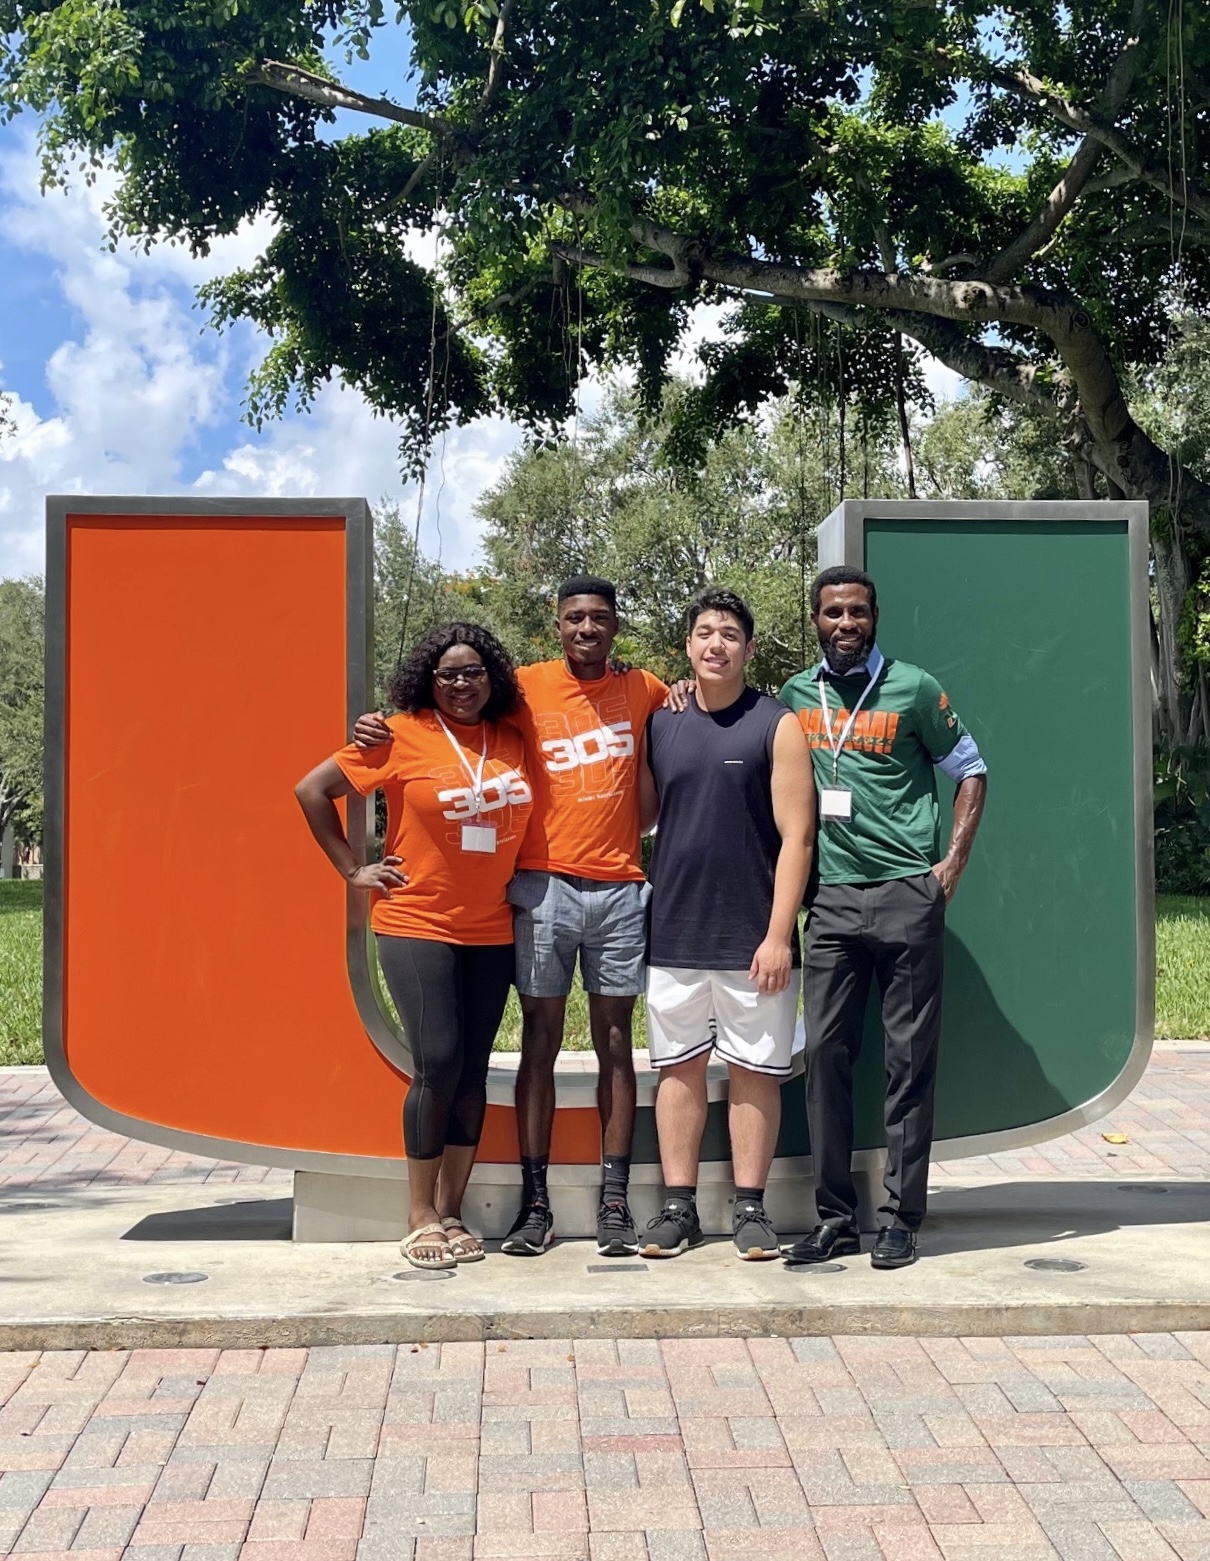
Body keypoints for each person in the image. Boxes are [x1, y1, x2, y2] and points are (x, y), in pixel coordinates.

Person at [355, 577, 667, 1258]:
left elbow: (694, 723)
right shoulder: (523, 689)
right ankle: (533, 1203)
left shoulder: (647, 688)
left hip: (616, 888)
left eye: (599, 618)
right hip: (540, 888)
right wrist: (379, 722)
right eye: (573, 618)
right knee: (535, 1040)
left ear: (616, 626)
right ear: (556, 625)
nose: (586, 628)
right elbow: (441, 716)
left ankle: (613, 1204)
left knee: (615, 1039)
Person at [295, 622, 532, 1271]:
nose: (462, 684)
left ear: (493, 678)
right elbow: (312, 791)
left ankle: (452, 1209)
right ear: (430, 680)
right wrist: (352, 867)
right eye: (449, 674)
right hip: (416, 921)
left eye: (474, 672)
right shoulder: (399, 734)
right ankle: (418, 1212)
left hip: (493, 927)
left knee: (474, 1068)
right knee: (439, 1060)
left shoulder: (512, 736)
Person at [780, 565, 988, 1269]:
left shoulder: (915, 687)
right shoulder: (793, 696)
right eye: (833, 612)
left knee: (908, 1063)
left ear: (876, 617)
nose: (846, 623)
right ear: (815, 620)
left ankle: (901, 1216)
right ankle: (836, 1215)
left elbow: (973, 770)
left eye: (857, 612)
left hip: (905, 892)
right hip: (831, 899)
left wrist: (949, 868)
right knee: (825, 1059)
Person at [638, 587, 816, 1261]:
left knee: (754, 1073)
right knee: (677, 1072)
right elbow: (644, 815)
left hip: (754, 939)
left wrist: (777, 934)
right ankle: (678, 1208)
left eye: (730, 634)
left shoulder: (777, 725)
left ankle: (750, 1210)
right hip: (675, 930)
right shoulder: (663, 720)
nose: (716, 643)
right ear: (688, 645)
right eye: (704, 632)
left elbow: (798, 838)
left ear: (748, 647)